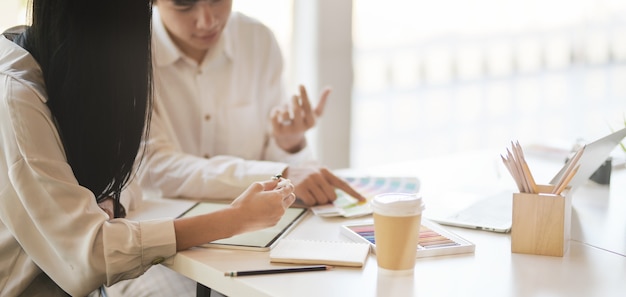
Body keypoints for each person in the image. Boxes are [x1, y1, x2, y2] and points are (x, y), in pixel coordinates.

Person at [0, 0, 296, 296]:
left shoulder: (73, 66)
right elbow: (89, 254)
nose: (206, 21)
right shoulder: (17, 94)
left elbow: (126, 179)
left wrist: (107, 201)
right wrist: (234, 219)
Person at [137, 0, 366, 206]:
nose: (207, 21)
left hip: (260, 223)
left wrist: (288, 144)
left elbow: (278, 165)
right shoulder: (132, 53)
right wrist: (279, 172)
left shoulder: (257, 40)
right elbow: (154, 168)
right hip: (167, 225)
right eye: (184, 5)